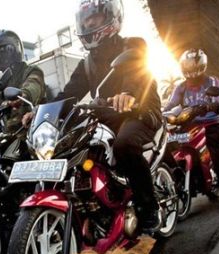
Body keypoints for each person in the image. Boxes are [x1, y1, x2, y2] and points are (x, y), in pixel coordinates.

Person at [24, 0, 166, 234]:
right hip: (107, 117)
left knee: (125, 145)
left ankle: (148, 208)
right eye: (86, 20)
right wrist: (39, 111)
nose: (89, 24)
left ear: (112, 18)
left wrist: (128, 94)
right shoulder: (87, 63)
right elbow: (67, 94)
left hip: (140, 112)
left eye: (95, 19)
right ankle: (96, 206)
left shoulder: (133, 45)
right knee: (77, 149)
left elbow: (137, 71)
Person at [164, 49, 219, 205]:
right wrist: (161, 113)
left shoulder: (212, 81)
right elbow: (171, 104)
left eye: (193, 68)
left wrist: (209, 106)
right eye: (188, 68)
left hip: (211, 123)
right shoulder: (180, 87)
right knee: (172, 149)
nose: (191, 73)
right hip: (189, 125)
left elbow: (217, 101)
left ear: (201, 66)